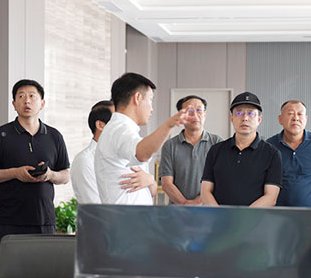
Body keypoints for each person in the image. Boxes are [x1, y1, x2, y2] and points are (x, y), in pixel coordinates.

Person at [0, 79, 70, 278]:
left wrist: (50, 175)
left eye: (32, 96)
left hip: (43, 220)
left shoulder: (54, 136)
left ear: (42, 103)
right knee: (3, 277)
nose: (27, 101)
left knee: (43, 277)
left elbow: (65, 175)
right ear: (13, 104)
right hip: (8, 220)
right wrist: (14, 173)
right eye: (21, 96)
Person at [95, 73, 187, 205]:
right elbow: (141, 154)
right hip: (126, 216)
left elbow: (150, 191)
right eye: (150, 100)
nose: (152, 109)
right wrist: (169, 124)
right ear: (137, 98)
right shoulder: (119, 129)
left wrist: (150, 180)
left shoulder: (122, 129)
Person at [201, 92, 282, 207]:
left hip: (255, 217)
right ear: (232, 118)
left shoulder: (272, 153)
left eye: (251, 113)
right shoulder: (215, 150)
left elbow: (271, 197)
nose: (245, 118)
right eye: (239, 113)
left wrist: (243, 216)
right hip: (219, 217)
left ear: (259, 119)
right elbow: (205, 192)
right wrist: (220, 214)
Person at [160, 95, 223, 205]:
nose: (195, 115)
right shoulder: (169, 146)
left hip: (210, 209)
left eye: (199, 110)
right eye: (189, 111)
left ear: (205, 114)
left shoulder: (217, 142)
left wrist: (199, 201)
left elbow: (222, 179)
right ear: (181, 116)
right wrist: (185, 203)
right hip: (177, 211)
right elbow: (166, 183)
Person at [267, 100, 311, 207]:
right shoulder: (269, 146)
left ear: (306, 119)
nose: (296, 118)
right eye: (290, 113)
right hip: (277, 213)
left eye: (300, 114)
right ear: (280, 119)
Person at [71, 100, 114, 204]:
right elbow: (95, 206)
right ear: (100, 125)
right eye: (116, 121)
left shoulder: (123, 157)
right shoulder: (84, 161)